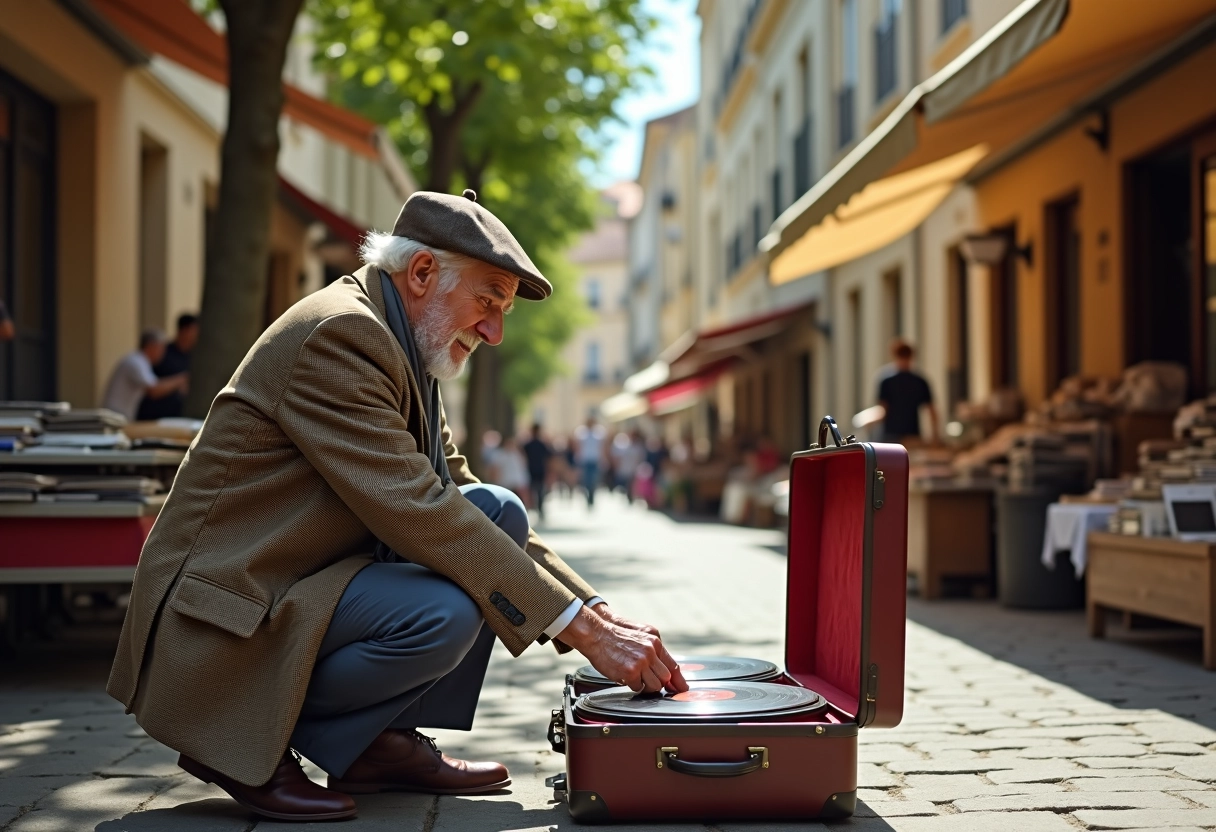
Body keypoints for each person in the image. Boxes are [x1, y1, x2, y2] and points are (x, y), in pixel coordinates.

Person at [107, 189, 686, 824]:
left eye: (503, 313)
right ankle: (236, 733)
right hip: (223, 618)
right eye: (488, 302)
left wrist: (599, 611)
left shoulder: (403, 341)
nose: (494, 332)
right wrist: (585, 634)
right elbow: (424, 511)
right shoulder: (344, 333)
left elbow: (455, 488)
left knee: (496, 511)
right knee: (444, 610)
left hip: (292, 581)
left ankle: (375, 748)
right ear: (421, 273)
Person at [101, 329, 189, 421]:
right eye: (161, 348)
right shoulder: (136, 361)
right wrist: (181, 379)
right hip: (114, 417)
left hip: (119, 416)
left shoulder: (141, 362)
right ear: (151, 346)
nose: (163, 353)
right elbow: (154, 390)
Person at [137, 313, 198, 420]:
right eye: (195, 330)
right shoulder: (162, 354)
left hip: (177, 417)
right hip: (153, 417)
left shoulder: (194, 357)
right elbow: (152, 388)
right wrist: (181, 380)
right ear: (185, 330)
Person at [876, 340, 939, 444]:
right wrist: (935, 436)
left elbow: (883, 410)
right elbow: (932, 411)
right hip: (909, 434)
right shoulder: (920, 381)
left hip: (893, 434)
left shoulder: (887, 381)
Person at [573, 416, 606, 509]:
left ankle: (592, 497)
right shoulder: (581, 432)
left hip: (595, 460)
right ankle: (587, 497)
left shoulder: (599, 433)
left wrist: (603, 459)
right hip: (585, 460)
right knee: (585, 481)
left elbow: (601, 447)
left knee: (594, 481)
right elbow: (578, 447)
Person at [522, 423, 553, 521]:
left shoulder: (527, 445)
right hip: (539, 470)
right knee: (539, 491)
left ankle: (534, 507)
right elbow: (548, 459)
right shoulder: (542, 445)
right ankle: (539, 508)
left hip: (531, 470)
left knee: (533, 490)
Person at [489, 434, 530, 504]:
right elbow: (495, 470)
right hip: (505, 485)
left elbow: (523, 468)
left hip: (518, 485)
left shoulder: (517, 454)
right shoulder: (499, 455)